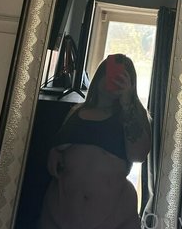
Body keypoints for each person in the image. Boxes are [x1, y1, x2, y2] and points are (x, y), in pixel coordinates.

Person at [39, 54, 151, 229]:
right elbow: (56, 150)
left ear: (131, 83)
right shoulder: (77, 110)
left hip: (113, 217)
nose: (113, 79)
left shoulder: (134, 115)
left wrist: (127, 103)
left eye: (121, 76)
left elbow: (138, 155)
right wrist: (55, 152)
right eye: (109, 72)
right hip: (59, 211)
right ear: (99, 77)